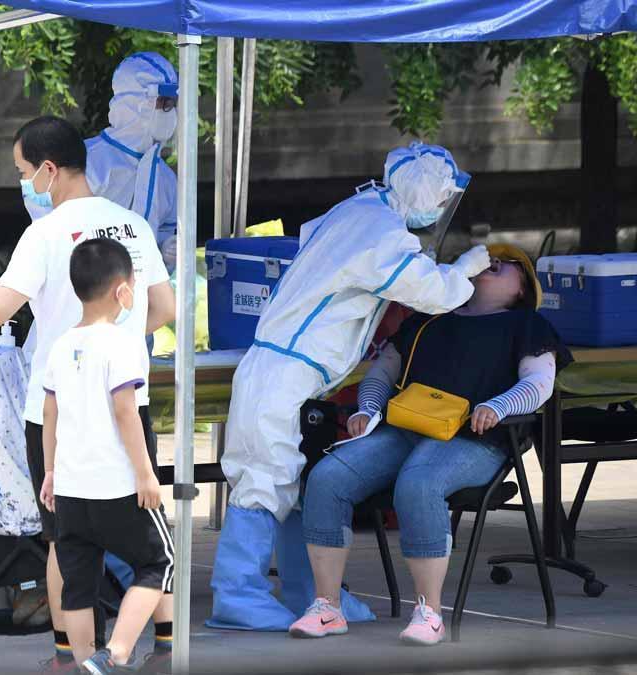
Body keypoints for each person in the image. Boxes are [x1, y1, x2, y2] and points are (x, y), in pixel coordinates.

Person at [0, 116, 176, 673]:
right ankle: (162, 648)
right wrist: (112, 345)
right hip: (126, 405)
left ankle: (70, 658)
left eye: (23, 172)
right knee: (147, 530)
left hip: (56, 411)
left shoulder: (44, 234)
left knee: (66, 539)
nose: (23, 184)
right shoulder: (132, 226)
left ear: (48, 169)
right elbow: (164, 310)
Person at [208, 142, 494, 632]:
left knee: (294, 484)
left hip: (299, 373)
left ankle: (312, 594)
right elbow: (432, 292)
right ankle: (237, 597)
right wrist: (464, 271)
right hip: (282, 373)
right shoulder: (379, 232)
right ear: (428, 192)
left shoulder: (360, 210)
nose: (441, 208)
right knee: (262, 480)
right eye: (443, 196)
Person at [290, 244, 570, 645]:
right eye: (489, 258)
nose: (494, 261)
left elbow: (539, 384)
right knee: (327, 477)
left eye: (508, 263)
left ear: (523, 290)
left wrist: (498, 405)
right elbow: (381, 373)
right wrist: (368, 410)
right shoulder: (426, 318)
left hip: (476, 437)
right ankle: (327, 607)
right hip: (403, 429)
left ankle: (429, 613)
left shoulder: (528, 325)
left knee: (420, 482)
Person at [40, 238, 175, 674]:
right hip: (116, 485)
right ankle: (115, 653)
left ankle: (86, 663)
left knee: (78, 585)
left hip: (72, 490)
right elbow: (125, 410)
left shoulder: (61, 345)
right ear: (123, 292)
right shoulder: (123, 342)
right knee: (160, 562)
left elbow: (49, 413)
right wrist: (145, 474)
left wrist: (49, 472)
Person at [26, 53, 179, 249]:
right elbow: (47, 228)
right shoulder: (84, 160)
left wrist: (165, 250)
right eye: (163, 102)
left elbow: (163, 238)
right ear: (134, 103)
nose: (170, 111)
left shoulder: (165, 178)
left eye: (172, 103)